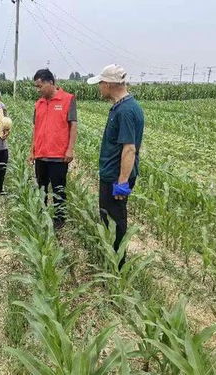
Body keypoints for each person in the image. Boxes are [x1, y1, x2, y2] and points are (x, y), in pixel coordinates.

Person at [87, 64, 145, 268]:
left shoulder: (126, 111)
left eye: (100, 83)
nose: (99, 87)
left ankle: (117, 267)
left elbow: (129, 149)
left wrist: (121, 183)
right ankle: (112, 262)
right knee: (108, 218)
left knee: (115, 222)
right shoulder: (121, 107)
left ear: (110, 84)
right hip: (112, 174)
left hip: (116, 178)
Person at [28, 69, 78, 230]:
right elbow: (36, 128)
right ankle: (42, 214)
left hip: (58, 155)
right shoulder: (39, 103)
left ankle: (59, 218)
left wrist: (70, 149)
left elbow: (73, 126)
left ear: (50, 82)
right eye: (36, 86)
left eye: (40, 86)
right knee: (41, 187)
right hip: (41, 155)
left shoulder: (68, 99)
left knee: (58, 189)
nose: (38, 89)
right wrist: (32, 151)